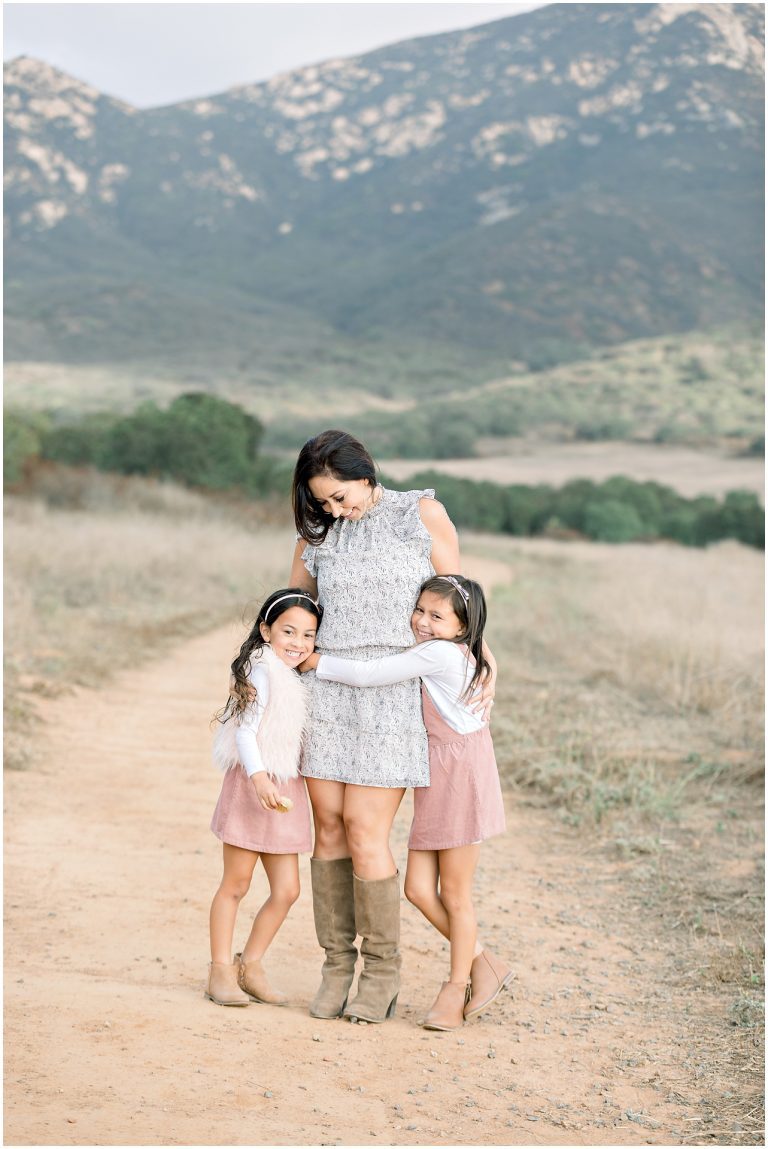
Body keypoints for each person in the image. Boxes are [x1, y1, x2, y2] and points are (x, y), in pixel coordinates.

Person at [289, 429, 496, 1025]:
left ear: (366, 473)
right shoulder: (316, 535)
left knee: (362, 828)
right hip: (324, 689)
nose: (334, 509)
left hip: (394, 693)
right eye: (322, 500)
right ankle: (337, 967)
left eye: (340, 495)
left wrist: (485, 661)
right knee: (326, 826)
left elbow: (459, 606)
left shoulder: (420, 514)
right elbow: (295, 609)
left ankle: (382, 971)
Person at [301, 574, 511, 1030]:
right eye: (419, 610)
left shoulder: (439, 653)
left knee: (454, 893)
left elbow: (370, 674)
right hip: (436, 776)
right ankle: (482, 960)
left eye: (437, 616)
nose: (422, 622)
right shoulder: (449, 650)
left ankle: (456, 988)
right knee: (418, 889)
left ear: (462, 626)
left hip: (462, 775)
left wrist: (316, 661)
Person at [205, 588, 322, 1007]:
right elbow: (245, 730)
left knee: (287, 889)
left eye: (308, 636)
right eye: (288, 631)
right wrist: (258, 778)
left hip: (284, 786)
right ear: (265, 630)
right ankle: (219, 971)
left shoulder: (295, 675)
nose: (298, 643)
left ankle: (249, 964)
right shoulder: (262, 669)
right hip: (253, 783)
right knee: (235, 884)